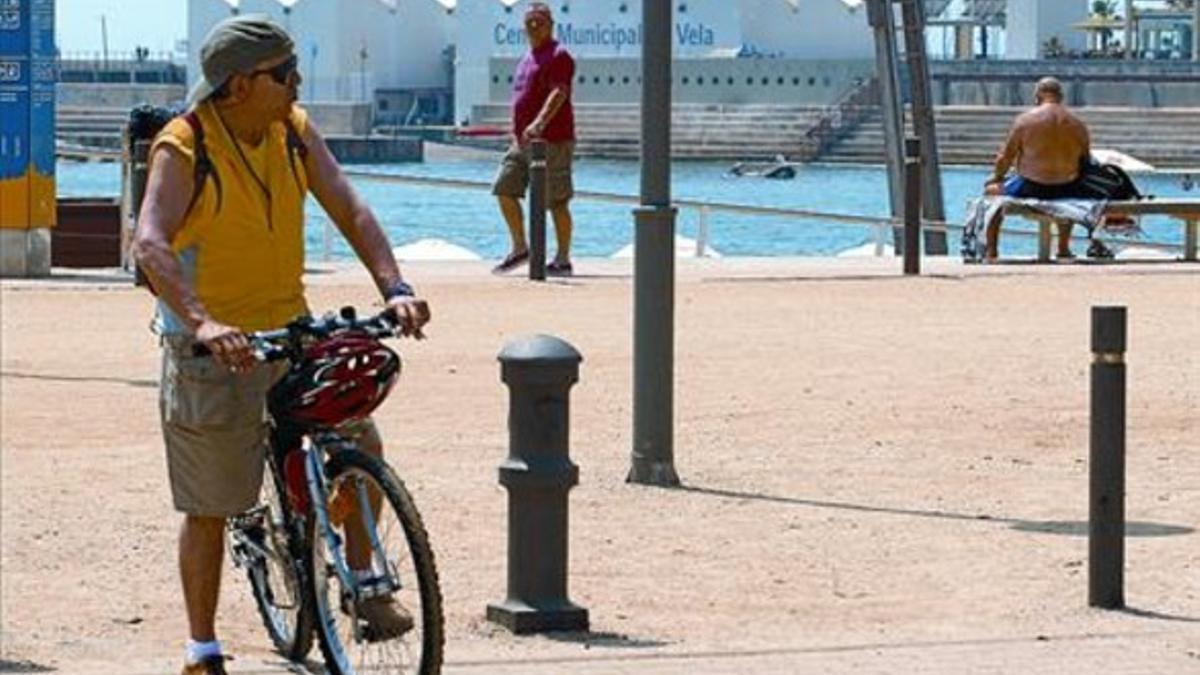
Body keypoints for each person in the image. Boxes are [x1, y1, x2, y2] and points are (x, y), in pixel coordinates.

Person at [130, 15, 430, 675]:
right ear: (240, 84)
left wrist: (395, 285)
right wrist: (204, 322)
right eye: (284, 74)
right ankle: (201, 648)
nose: (297, 85)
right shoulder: (184, 147)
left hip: (288, 328)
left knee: (360, 441)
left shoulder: (291, 131)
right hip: (212, 346)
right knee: (212, 504)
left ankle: (363, 582)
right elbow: (149, 242)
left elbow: (349, 205)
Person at [490, 2, 577, 276]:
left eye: (539, 22)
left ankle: (562, 258)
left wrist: (539, 122)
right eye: (529, 22)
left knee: (557, 200)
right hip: (522, 141)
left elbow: (559, 92)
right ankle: (520, 248)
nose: (533, 27)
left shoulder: (559, 55)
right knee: (504, 188)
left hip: (553, 140)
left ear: (551, 25)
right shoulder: (528, 57)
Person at [984, 77, 1093, 260]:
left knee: (991, 193)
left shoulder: (1025, 121)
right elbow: (1085, 160)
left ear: (1037, 96)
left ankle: (992, 251)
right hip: (1067, 186)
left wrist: (996, 177)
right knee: (1068, 192)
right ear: (1061, 96)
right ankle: (1063, 248)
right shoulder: (1077, 124)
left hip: (1031, 186)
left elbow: (1005, 158)